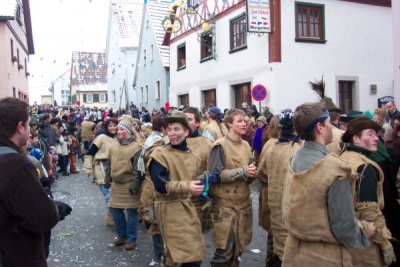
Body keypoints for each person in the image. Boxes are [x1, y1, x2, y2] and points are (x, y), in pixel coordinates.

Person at [282, 102, 375, 267]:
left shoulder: (294, 157)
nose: (332, 127)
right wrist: (365, 230)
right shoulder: (335, 168)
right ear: (319, 127)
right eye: (328, 124)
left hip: (293, 252)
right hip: (323, 257)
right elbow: (343, 226)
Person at [0, 97, 60, 266]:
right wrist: (55, 207)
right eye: (27, 124)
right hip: (14, 255)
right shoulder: (15, 164)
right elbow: (44, 217)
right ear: (20, 127)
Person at [149, 111, 206, 267]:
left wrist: (204, 180)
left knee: (194, 253)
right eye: (169, 129)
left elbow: (194, 177)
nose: (172, 134)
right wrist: (187, 186)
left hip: (187, 207)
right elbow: (161, 185)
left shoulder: (193, 156)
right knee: (173, 255)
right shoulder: (160, 154)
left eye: (176, 129)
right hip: (168, 209)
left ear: (186, 132)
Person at [341, 116, 396, 266]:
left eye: (376, 134)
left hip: (348, 235)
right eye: (370, 134)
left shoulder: (342, 158)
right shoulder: (365, 166)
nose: (376, 138)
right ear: (356, 139)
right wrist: (384, 241)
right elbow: (369, 210)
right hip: (365, 239)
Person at [208, 108, 256, 266]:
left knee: (238, 250)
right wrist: (242, 172)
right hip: (225, 208)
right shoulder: (220, 145)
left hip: (243, 206)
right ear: (229, 124)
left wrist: (252, 173)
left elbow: (248, 174)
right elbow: (215, 176)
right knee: (224, 254)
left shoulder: (246, 146)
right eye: (239, 121)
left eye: (245, 121)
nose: (244, 124)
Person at [258, 110, 301, 267]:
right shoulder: (298, 150)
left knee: (275, 245)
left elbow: (261, 173)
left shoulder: (272, 147)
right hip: (290, 210)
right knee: (287, 251)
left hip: (272, 206)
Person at [104, 115, 143, 250]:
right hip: (116, 184)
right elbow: (109, 163)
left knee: (132, 212)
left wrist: (134, 185)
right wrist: (107, 178)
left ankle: (131, 238)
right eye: (118, 129)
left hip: (129, 183)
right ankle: (122, 234)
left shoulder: (136, 147)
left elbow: (137, 169)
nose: (120, 132)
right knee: (114, 209)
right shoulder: (114, 144)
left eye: (123, 130)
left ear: (129, 131)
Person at [183, 107, 213, 231]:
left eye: (189, 119)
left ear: (197, 123)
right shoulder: (168, 143)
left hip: (197, 201)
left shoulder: (208, 144)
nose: (185, 122)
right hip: (174, 201)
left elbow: (213, 171)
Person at [84, 117, 118, 226]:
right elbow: (90, 152)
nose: (113, 128)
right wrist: (88, 167)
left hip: (115, 168)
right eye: (110, 126)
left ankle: (111, 216)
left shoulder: (119, 138)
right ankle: (112, 218)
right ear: (106, 127)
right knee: (109, 195)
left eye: (114, 125)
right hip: (102, 168)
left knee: (114, 195)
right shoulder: (101, 138)